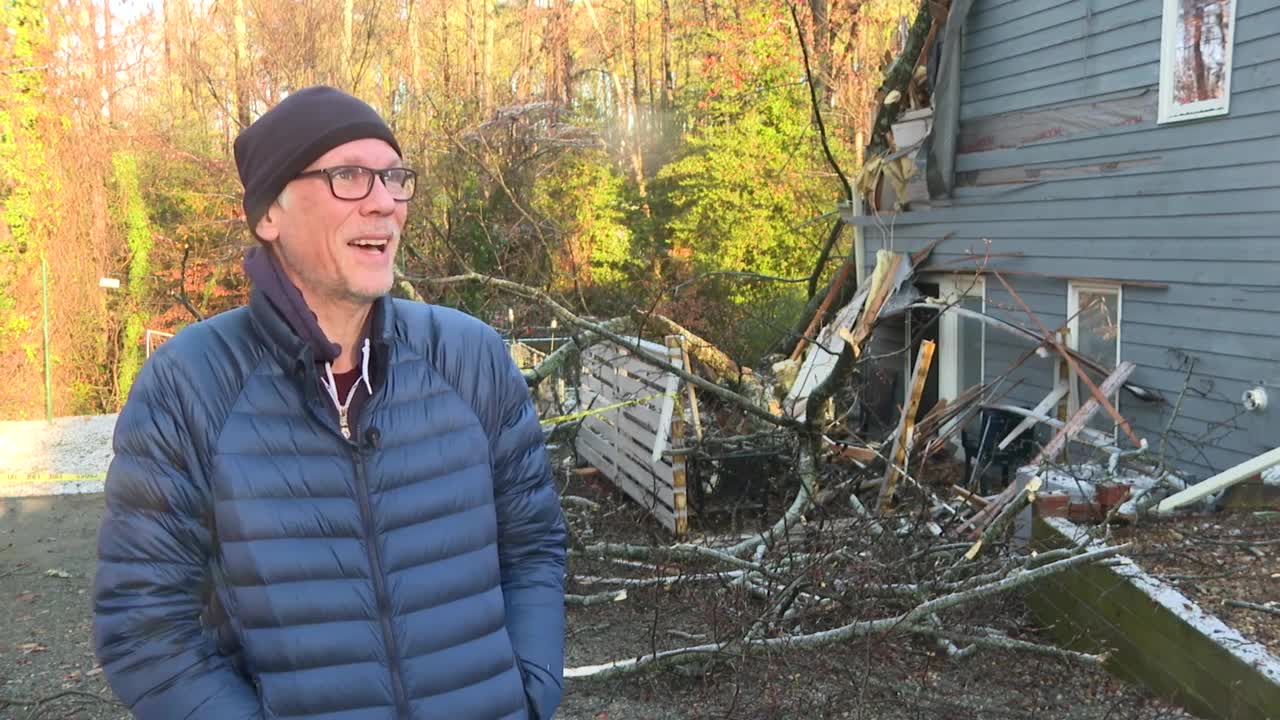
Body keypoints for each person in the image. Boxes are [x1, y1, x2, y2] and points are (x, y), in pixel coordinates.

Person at [92, 85, 567, 720]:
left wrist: (531, 690)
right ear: (270, 215)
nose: (384, 203)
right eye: (348, 176)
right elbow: (144, 625)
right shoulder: (190, 385)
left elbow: (532, 546)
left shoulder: (469, 358)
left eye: (395, 178)